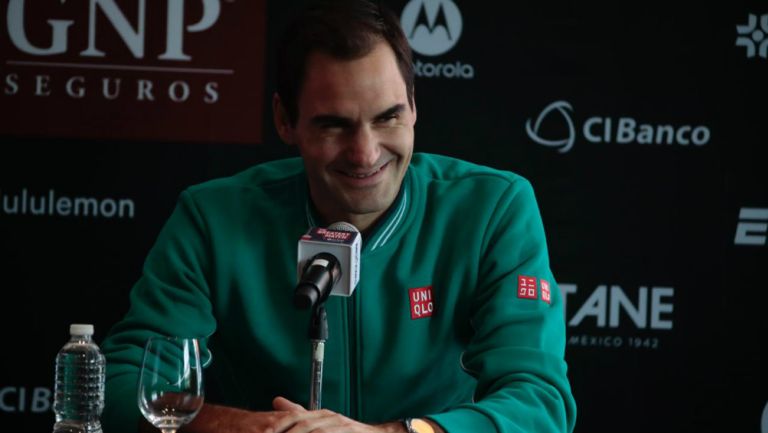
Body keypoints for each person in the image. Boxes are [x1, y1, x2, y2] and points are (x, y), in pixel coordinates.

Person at [100, 1, 577, 432]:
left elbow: (537, 404)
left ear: (414, 107)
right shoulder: (212, 218)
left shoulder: (492, 208)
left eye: (387, 117)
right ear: (285, 120)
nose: (365, 153)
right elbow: (124, 387)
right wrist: (251, 429)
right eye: (334, 125)